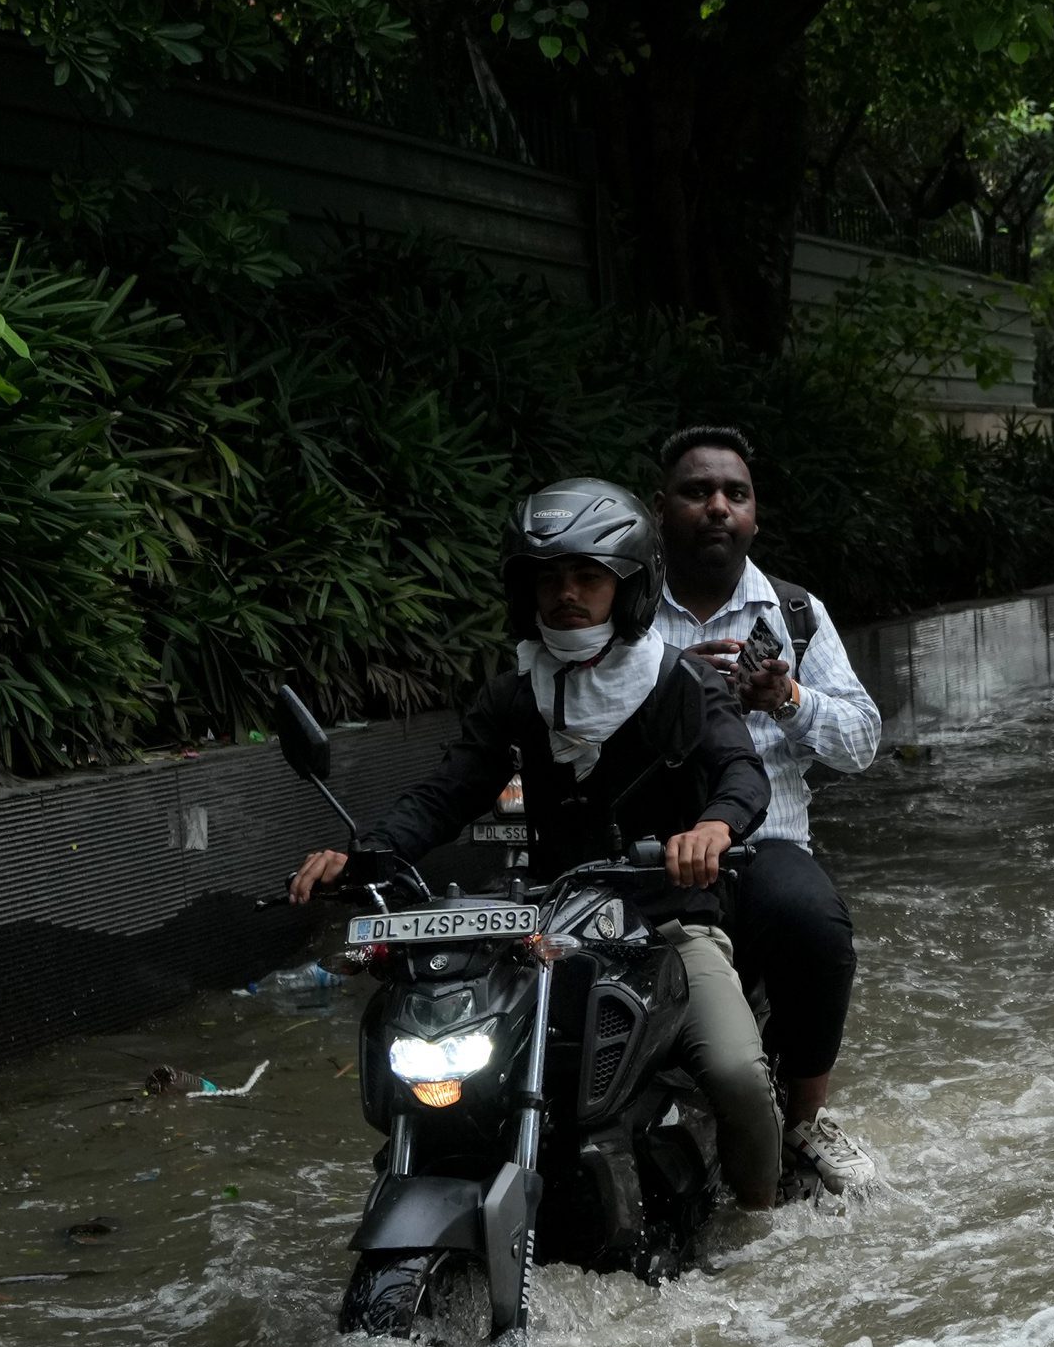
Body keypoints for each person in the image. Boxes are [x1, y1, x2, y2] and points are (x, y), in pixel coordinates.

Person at [286, 479, 779, 1206]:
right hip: (546, 927)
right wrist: (362, 857)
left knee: (737, 1073)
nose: (566, 594)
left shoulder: (682, 683)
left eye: (587, 576)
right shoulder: (515, 695)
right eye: (549, 578)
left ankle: (761, 1222)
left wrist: (712, 828)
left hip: (670, 923)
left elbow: (742, 771)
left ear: (630, 588)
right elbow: (445, 794)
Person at [649, 426, 878, 1166]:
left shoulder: (795, 613)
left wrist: (788, 699)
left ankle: (807, 1121)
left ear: (754, 514)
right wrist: (666, 684)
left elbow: (862, 742)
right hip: (646, 851)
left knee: (817, 928)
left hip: (763, 846)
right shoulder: (622, 611)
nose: (717, 506)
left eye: (735, 493)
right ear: (660, 509)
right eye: (697, 491)